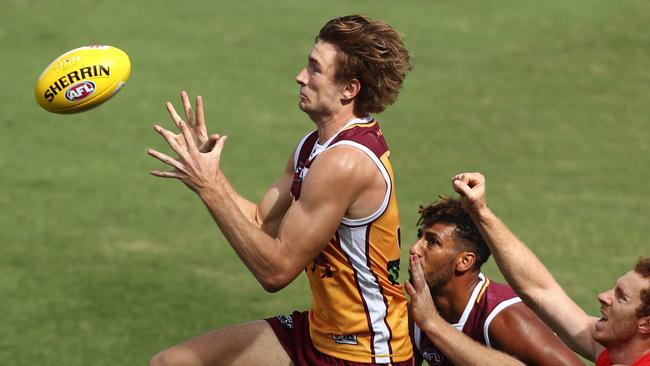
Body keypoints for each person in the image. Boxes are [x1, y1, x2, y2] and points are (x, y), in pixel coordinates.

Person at [147, 14, 413, 366]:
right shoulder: (314, 146)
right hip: (320, 334)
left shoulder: (346, 162)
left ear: (349, 89)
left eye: (316, 69)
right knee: (174, 362)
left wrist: (209, 188)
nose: (301, 76)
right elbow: (261, 221)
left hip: (364, 353)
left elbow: (275, 271)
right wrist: (210, 172)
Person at [452, 172, 650, 366]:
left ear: (646, 324)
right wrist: (480, 211)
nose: (604, 296)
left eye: (621, 297)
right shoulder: (614, 349)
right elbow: (539, 291)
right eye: (614, 290)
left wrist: (432, 323)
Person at [406, 197, 583, 366]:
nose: (414, 249)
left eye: (432, 242)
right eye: (419, 237)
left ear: (464, 261)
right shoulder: (418, 311)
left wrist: (432, 323)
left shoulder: (507, 319)